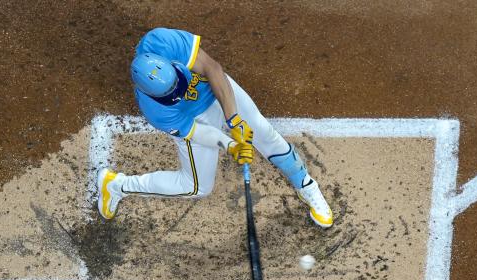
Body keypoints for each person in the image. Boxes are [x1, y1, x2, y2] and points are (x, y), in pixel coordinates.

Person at [97, 27, 334, 229]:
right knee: (196, 187)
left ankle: (306, 184)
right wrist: (230, 144)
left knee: (264, 132)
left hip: (218, 91)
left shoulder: (163, 41)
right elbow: (198, 133)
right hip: (196, 119)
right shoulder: (156, 111)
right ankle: (117, 185)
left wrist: (234, 119)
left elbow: (212, 69)